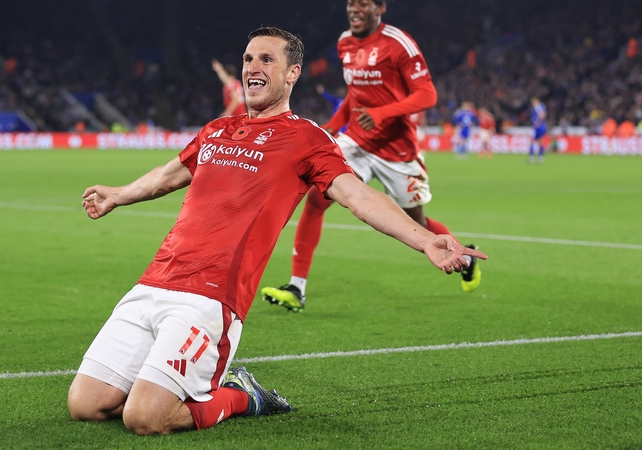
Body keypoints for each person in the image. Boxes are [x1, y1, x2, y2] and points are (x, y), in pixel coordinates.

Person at [69, 26, 486, 436]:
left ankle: (242, 395)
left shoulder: (306, 139)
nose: (253, 65)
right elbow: (168, 175)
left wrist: (424, 238)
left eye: (267, 59)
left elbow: (359, 197)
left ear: (292, 73)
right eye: (249, 58)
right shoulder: (218, 129)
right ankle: (173, 383)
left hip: (210, 297)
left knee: (145, 419)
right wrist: (117, 195)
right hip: (155, 281)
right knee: (85, 406)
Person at [261, 0, 482, 313]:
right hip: (358, 141)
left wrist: (382, 114)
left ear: (380, 8)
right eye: (351, 3)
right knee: (317, 197)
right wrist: (333, 127)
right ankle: (296, 288)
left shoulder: (398, 44)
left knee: (414, 223)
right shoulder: (344, 43)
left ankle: (464, 253)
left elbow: (427, 94)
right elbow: (355, 94)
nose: (355, 8)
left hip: (397, 151)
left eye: (363, 3)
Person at [529, 97, 547, 164]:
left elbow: (542, 115)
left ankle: (532, 157)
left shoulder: (538, 106)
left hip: (538, 126)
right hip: (542, 126)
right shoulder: (542, 106)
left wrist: (538, 123)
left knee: (532, 141)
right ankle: (540, 157)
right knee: (540, 141)